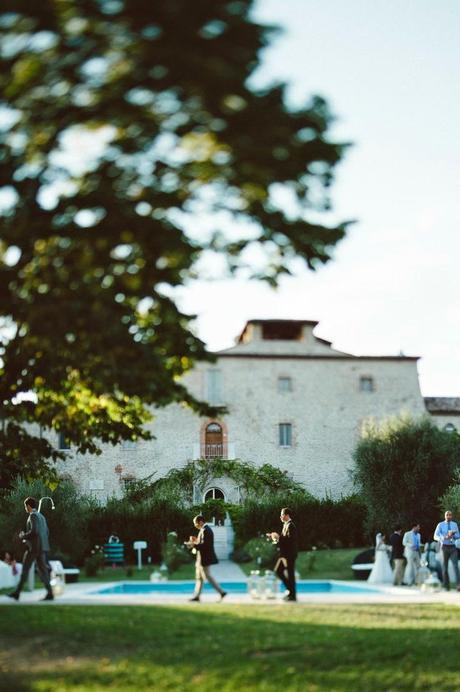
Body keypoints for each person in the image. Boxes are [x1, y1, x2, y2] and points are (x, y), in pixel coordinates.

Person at [7, 497, 54, 602]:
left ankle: (17, 593)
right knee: (43, 571)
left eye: (25, 506)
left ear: (28, 506)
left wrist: (23, 536)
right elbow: (47, 532)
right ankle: (50, 593)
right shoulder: (41, 516)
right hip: (42, 547)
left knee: (25, 570)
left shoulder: (32, 516)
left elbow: (34, 531)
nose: (25, 508)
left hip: (33, 548)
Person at [187, 514, 227, 602]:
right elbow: (202, 542)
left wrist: (193, 544)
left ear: (200, 522)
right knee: (199, 577)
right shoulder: (203, 530)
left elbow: (205, 545)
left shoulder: (206, 530)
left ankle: (221, 592)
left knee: (207, 576)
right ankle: (197, 596)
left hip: (204, 558)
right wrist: (195, 540)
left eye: (195, 523)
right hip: (201, 557)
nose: (195, 525)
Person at [267, 507, 298, 601]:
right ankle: (291, 592)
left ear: (287, 515)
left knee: (289, 574)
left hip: (290, 554)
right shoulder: (286, 525)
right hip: (285, 554)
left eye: (282, 515)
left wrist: (278, 537)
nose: (280, 516)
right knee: (280, 571)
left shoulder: (291, 525)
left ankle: (292, 595)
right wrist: (274, 537)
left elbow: (289, 541)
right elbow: (283, 540)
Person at [433, 510, 460, 591]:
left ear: (452, 516)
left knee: (456, 566)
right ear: (445, 516)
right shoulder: (440, 525)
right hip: (444, 547)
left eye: (450, 515)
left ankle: (458, 585)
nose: (448, 516)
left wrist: (454, 535)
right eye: (447, 515)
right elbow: (435, 536)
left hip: (453, 547)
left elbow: (458, 535)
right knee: (445, 567)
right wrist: (443, 537)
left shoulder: (454, 524)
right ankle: (446, 586)